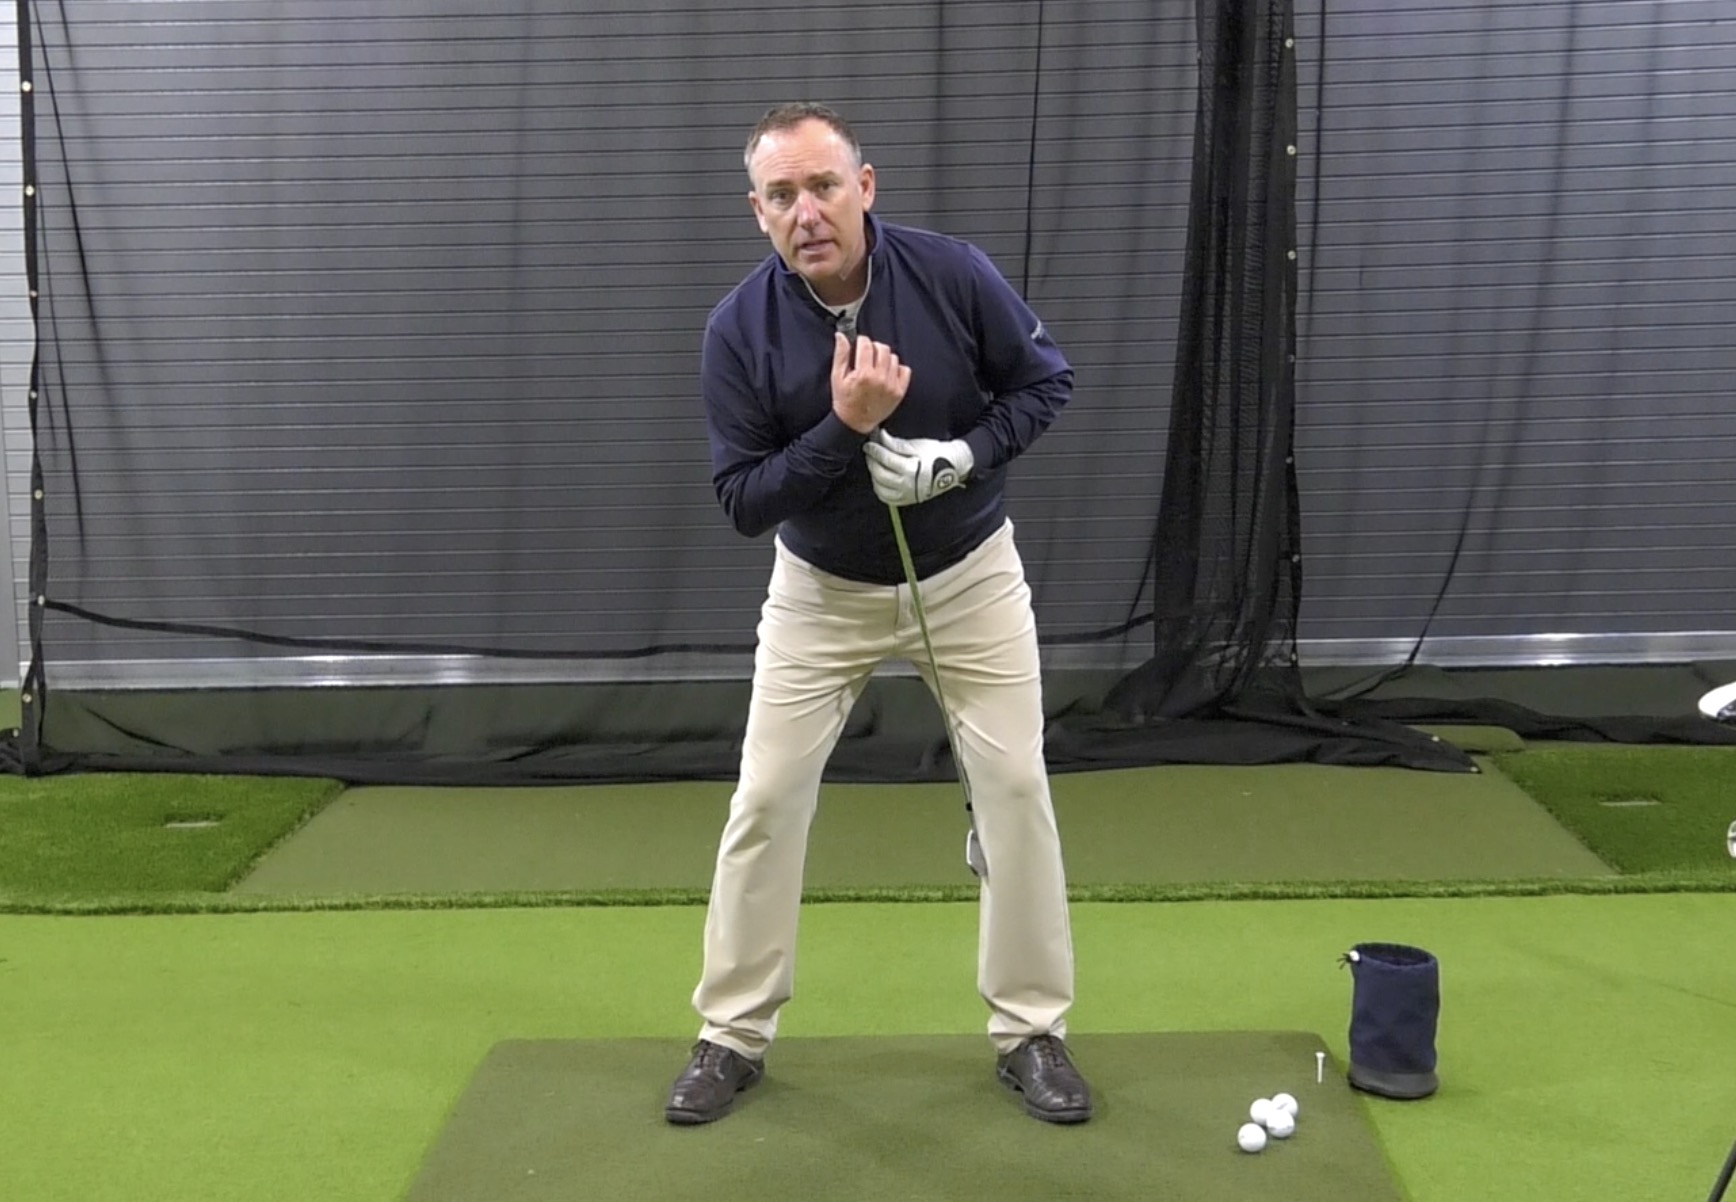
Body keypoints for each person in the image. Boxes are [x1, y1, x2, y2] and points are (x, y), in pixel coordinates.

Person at [665, 102, 1090, 1127]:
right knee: (763, 799)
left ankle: (1031, 1028)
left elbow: (1043, 382)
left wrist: (962, 456)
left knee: (1014, 789)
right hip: (819, 593)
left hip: (969, 576)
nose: (804, 211)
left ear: (865, 185)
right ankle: (730, 1031)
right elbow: (742, 501)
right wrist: (841, 427)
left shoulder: (951, 275)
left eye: (822, 185)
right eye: (780, 196)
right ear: (757, 212)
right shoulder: (738, 330)